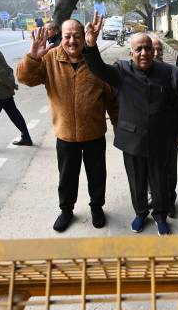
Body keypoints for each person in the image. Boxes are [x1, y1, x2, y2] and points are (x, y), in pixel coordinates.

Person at [83, 12, 178, 236]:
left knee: (159, 181)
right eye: (138, 49)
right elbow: (98, 68)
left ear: (153, 51)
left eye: (147, 48)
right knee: (137, 181)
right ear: (131, 53)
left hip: (160, 139)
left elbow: (176, 102)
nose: (143, 53)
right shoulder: (121, 71)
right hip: (132, 140)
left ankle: (160, 216)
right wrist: (90, 46)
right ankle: (140, 214)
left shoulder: (166, 72)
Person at [17, 19, 118, 232]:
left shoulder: (94, 60)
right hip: (65, 135)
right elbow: (25, 78)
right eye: (67, 36)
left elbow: (111, 98)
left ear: (83, 37)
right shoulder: (49, 58)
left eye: (77, 36)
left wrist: (118, 128)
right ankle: (66, 210)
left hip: (94, 133)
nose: (72, 41)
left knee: (97, 175)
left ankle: (97, 207)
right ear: (60, 37)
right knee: (67, 177)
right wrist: (33, 57)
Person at [151, 36, 178, 217]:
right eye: (153, 49)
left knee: (169, 171)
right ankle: (153, 197)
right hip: (147, 135)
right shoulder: (137, 72)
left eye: (160, 50)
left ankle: (169, 201)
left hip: (170, 134)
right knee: (149, 169)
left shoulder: (177, 73)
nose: (156, 53)